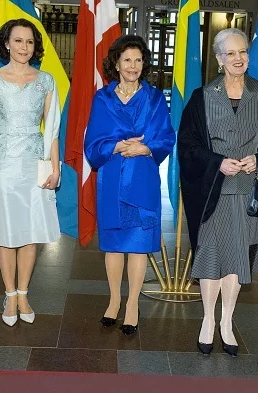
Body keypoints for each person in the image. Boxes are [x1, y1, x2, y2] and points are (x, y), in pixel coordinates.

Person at [178, 28, 258, 356]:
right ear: (220, 59)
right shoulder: (202, 96)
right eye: (231, 53)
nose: (239, 58)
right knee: (210, 253)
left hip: (247, 190)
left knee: (236, 258)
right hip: (213, 189)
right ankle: (207, 319)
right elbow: (188, 144)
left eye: (243, 52)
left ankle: (226, 321)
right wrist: (216, 162)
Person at [84, 35, 175, 335]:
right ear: (116, 64)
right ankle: (113, 301)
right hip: (111, 176)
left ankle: (133, 304)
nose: (133, 66)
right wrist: (116, 145)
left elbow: (165, 136)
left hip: (143, 178)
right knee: (113, 245)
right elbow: (93, 141)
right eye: (127, 60)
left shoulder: (154, 98)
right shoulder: (102, 98)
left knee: (137, 247)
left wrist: (145, 148)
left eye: (138, 60)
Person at [0, 18, 61, 327]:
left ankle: (24, 294)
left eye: (30, 42)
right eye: (18, 40)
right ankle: (9, 295)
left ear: (35, 47)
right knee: (7, 234)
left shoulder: (46, 81)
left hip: (34, 165)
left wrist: (55, 167)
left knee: (31, 235)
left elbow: (51, 131)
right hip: (3, 167)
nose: (24, 47)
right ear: (6, 43)